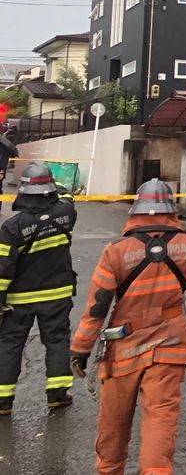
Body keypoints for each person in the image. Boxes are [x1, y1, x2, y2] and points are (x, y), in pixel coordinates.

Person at [70, 178, 186, 475]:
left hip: (124, 347)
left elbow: (97, 306)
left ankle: (109, 469)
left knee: (113, 421)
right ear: (171, 210)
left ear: (136, 210)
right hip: (171, 345)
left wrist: (81, 348)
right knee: (161, 417)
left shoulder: (116, 251)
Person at [0, 162, 78, 413]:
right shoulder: (66, 214)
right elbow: (67, 196)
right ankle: (57, 394)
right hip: (58, 294)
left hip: (19, 299)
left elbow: (2, 270)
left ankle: (3, 400)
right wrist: (58, 189)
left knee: (10, 344)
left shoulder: (12, 227)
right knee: (57, 341)